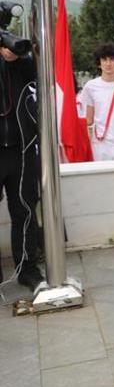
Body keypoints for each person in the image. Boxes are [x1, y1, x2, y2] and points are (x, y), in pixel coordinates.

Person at [0, 45, 44, 289]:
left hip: (21, 149)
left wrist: (16, 58)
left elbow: (34, 73)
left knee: (25, 211)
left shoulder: (18, 61)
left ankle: (27, 269)